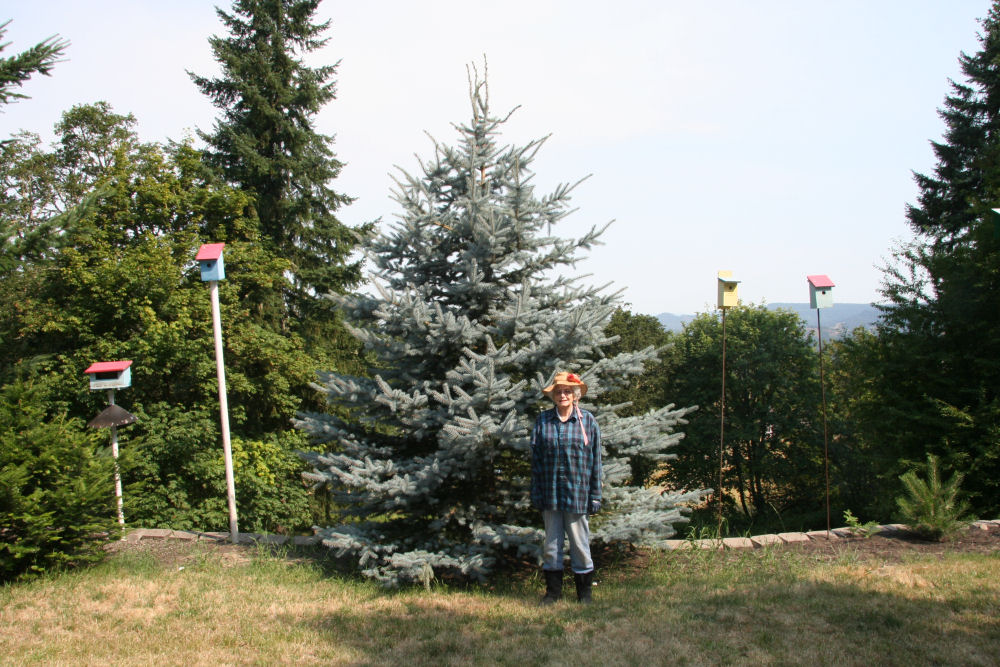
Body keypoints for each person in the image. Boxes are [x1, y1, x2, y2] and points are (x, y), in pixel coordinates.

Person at [530, 371, 602, 604]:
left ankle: (585, 594)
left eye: (567, 391)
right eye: (559, 392)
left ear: (575, 395)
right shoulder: (543, 421)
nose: (563, 395)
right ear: (554, 396)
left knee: (580, 545)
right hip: (550, 494)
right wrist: (537, 493)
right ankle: (553, 593)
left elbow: (595, 460)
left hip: (578, 494)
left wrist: (595, 495)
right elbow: (537, 460)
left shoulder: (587, 421)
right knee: (552, 545)